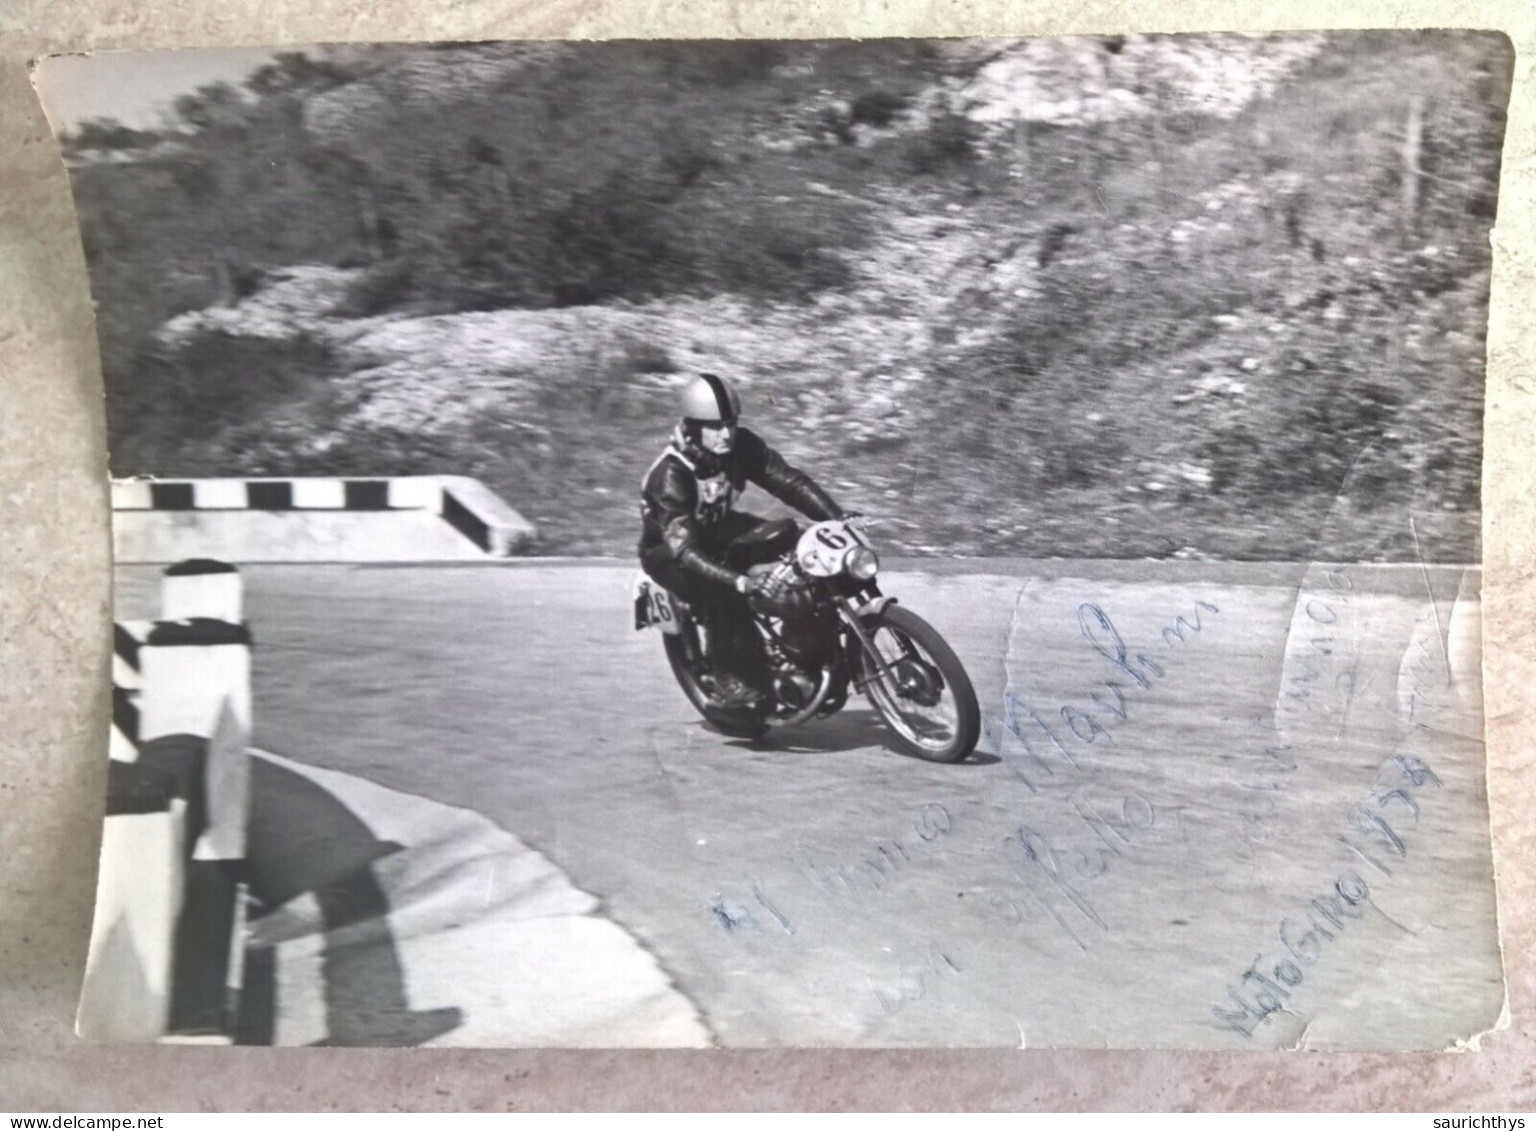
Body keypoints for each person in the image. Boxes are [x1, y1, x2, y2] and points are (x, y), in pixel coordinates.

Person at [639, 372, 844, 709]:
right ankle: (728, 678)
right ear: (691, 427)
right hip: (669, 551)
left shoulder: (741, 445)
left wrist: (836, 517)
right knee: (722, 592)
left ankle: (808, 649)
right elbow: (686, 550)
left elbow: (787, 482)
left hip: (718, 527)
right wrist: (741, 582)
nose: (725, 434)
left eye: (730, 424)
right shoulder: (671, 474)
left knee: (796, 540)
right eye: (714, 426)